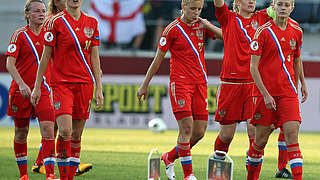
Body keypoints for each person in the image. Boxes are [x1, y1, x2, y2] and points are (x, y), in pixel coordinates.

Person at [137, 0, 222, 179]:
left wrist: (208, 25)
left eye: (199, 9)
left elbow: (227, 37)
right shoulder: (172, 29)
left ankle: (169, 157)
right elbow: (158, 58)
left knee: (199, 132)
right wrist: (145, 84)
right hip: (181, 83)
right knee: (186, 128)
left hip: (200, 84)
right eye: (192, 9)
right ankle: (188, 174)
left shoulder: (202, 25)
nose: (196, 12)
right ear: (183, 7)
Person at [30, 0, 104, 179]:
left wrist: (99, 88)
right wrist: (37, 86)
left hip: (85, 85)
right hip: (62, 85)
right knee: (65, 131)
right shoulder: (55, 22)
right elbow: (46, 55)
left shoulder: (92, 23)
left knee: (77, 135)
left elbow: (94, 57)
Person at [248, 0, 305, 179]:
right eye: (279, 4)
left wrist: (300, 84)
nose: (282, 8)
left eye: (286, 5)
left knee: (292, 138)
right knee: (260, 142)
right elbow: (253, 67)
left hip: (288, 94)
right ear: (273, 7)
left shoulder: (297, 31)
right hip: (266, 94)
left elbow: (296, 60)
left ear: (292, 8)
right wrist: (265, 94)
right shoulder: (263, 32)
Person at [5, 0, 56, 179]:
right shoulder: (19, 35)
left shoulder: (50, 36)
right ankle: (23, 175)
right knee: (21, 132)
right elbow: (9, 64)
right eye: (36, 11)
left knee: (49, 131)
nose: (42, 14)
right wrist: (21, 84)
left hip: (43, 91)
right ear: (27, 14)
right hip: (21, 92)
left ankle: (50, 174)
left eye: (43, 10)